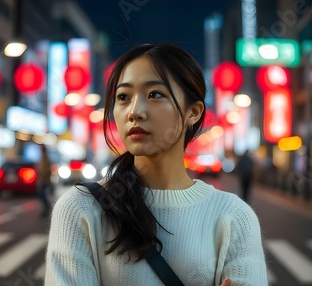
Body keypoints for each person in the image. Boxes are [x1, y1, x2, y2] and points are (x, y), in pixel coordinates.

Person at [45, 44, 268, 285]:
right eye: (123, 97)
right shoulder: (80, 209)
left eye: (155, 94)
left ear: (192, 112)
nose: (135, 112)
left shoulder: (234, 217)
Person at [37, 144, 52, 217]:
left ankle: (47, 207)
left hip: (45, 180)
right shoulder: (42, 158)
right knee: (42, 195)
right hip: (42, 180)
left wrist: (42, 172)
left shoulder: (46, 159)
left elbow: (48, 170)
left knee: (43, 194)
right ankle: (46, 208)